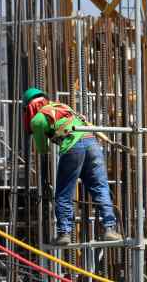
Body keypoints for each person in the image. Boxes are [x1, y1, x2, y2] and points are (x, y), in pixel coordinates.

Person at [22, 87, 122, 245]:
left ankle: (64, 232)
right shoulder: (63, 107)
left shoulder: (37, 120)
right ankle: (110, 228)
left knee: (63, 192)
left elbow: (43, 150)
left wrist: (43, 178)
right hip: (92, 144)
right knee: (100, 187)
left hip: (73, 148)